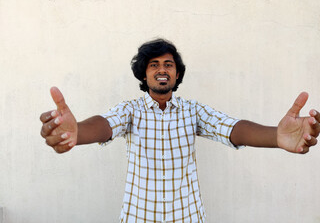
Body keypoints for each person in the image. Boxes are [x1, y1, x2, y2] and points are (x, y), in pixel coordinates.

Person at [40, 39, 319, 223]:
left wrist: (276, 136)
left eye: (168, 64)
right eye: (154, 65)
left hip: (188, 217)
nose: (162, 69)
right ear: (144, 74)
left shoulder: (192, 111)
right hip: (139, 217)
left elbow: (233, 128)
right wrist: (76, 132)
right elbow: (103, 126)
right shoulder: (130, 110)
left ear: (176, 74)